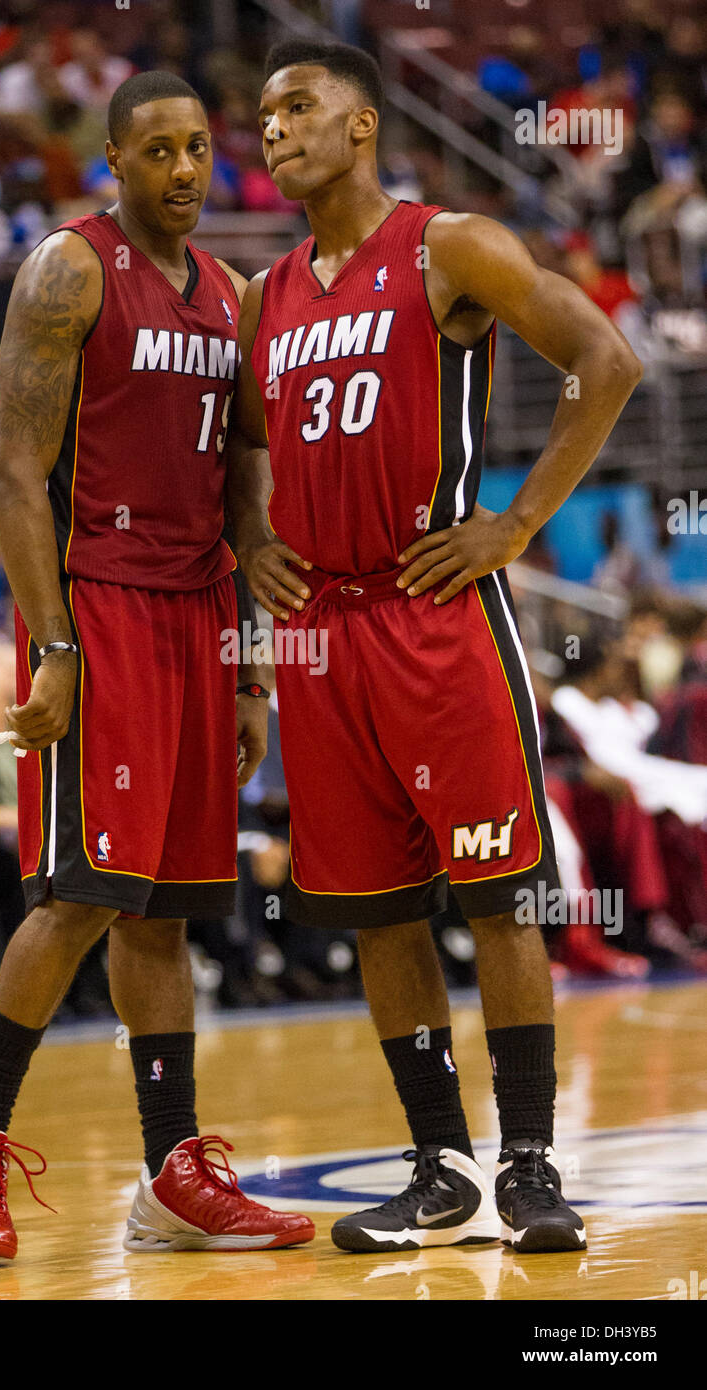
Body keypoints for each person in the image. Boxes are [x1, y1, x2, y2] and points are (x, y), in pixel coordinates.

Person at [227, 39, 643, 1255]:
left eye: (298, 108)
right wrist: (252, 539)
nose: (274, 130)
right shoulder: (268, 297)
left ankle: (525, 1162)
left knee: (499, 896)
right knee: (375, 914)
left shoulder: (444, 245)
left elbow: (603, 361)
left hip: (432, 607)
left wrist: (513, 523)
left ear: (361, 126)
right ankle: (436, 1164)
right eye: (262, 115)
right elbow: (241, 445)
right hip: (318, 632)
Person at [0, 70, 313, 1261]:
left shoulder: (233, 298)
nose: (185, 170)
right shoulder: (69, 269)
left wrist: (248, 669)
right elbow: (10, 475)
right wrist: (50, 646)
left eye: (199, 149)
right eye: (158, 152)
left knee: (168, 913)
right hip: (103, 606)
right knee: (83, 891)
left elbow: (244, 480)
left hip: (199, 620)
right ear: (113, 163)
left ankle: (172, 1172)